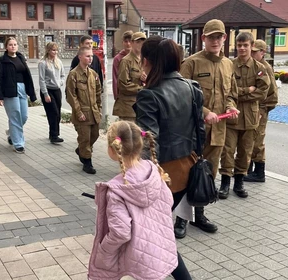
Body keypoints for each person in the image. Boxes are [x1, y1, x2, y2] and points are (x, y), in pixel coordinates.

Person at [136, 36, 206, 279]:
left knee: (158, 234)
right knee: (158, 230)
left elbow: (148, 142)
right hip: (189, 166)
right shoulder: (191, 87)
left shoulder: (149, 95)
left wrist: (135, 176)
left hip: (163, 173)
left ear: (147, 61)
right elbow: (201, 131)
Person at [88, 121, 186, 280]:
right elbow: (168, 201)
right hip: (160, 242)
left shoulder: (117, 190)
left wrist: (104, 249)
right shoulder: (153, 169)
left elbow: (120, 232)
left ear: (112, 150)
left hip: (139, 254)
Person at [179, 19, 239, 239]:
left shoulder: (228, 64)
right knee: (188, 173)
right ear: (203, 38)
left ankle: (199, 215)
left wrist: (231, 106)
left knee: (207, 174)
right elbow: (182, 95)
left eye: (219, 37)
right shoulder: (191, 63)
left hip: (218, 131)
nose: (215, 41)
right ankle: (181, 218)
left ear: (224, 39)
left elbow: (231, 93)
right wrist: (205, 112)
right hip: (194, 130)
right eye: (211, 37)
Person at [219, 32, 269, 199]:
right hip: (232, 115)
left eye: (245, 45)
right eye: (239, 45)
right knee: (227, 151)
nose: (242, 48)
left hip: (250, 118)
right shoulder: (229, 65)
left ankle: (239, 182)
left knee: (245, 151)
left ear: (251, 46)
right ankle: (225, 182)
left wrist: (239, 94)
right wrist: (248, 90)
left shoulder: (259, 68)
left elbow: (263, 92)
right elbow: (227, 91)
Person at [0, 37, 37, 154]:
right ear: (6, 47)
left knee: (23, 116)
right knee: (15, 116)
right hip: (9, 91)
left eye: (15, 44)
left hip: (22, 89)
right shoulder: (2, 61)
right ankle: (18, 143)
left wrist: (32, 93)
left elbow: (27, 76)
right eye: (10, 45)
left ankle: (12, 133)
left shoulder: (21, 58)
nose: (13, 46)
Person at [244, 39, 278, 182]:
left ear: (263, 52)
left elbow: (271, 93)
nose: (251, 54)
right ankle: (248, 169)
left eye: (255, 52)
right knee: (250, 139)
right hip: (255, 108)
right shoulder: (254, 66)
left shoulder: (264, 68)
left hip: (261, 108)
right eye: (251, 51)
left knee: (257, 140)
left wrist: (263, 109)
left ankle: (259, 172)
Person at [66, 47, 102, 174]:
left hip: (94, 113)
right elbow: (71, 96)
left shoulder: (93, 74)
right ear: (80, 57)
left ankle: (81, 150)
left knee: (95, 135)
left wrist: (99, 109)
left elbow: (98, 92)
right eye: (87, 56)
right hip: (82, 114)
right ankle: (87, 163)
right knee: (85, 138)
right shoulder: (73, 74)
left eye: (91, 56)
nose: (90, 58)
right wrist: (78, 112)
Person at [113, 32, 147, 122]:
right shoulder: (126, 61)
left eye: (143, 42)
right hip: (128, 108)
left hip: (141, 106)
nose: (141, 44)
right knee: (128, 135)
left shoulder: (145, 60)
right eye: (138, 41)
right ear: (132, 43)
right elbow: (123, 85)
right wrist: (142, 89)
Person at [38, 42, 65, 144]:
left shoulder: (59, 62)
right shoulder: (43, 63)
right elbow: (41, 79)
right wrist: (45, 94)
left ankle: (52, 133)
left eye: (56, 50)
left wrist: (60, 83)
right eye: (53, 50)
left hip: (56, 90)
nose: (55, 52)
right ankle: (54, 135)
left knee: (57, 113)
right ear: (48, 50)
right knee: (53, 112)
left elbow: (62, 75)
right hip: (48, 90)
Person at [112, 30, 133, 100]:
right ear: (122, 43)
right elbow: (115, 78)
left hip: (136, 93)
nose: (128, 44)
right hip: (122, 95)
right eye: (126, 41)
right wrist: (116, 96)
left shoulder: (139, 57)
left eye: (130, 41)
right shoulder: (117, 58)